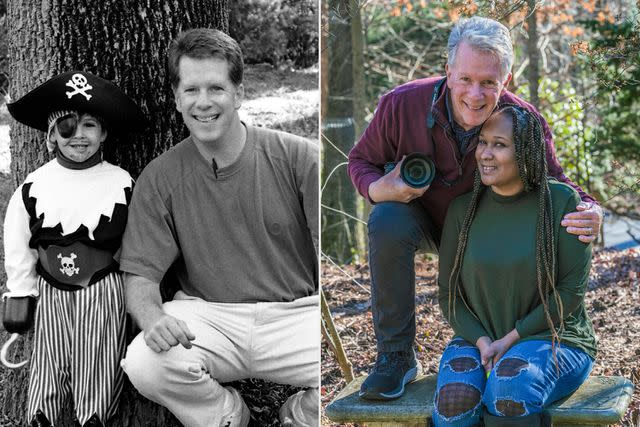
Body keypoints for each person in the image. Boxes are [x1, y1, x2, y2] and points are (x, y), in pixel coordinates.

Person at [348, 16, 603, 401]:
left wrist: (590, 207)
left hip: (481, 235)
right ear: (448, 71)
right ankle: (396, 356)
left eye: (488, 82)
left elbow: (557, 183)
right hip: (419, 219)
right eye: (466, 78)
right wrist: (378, 187)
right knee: (386, 217)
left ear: (508, 80)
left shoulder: (523, 121)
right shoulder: (401, 104)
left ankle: (510, 340)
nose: (475, 94)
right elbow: (360, 161)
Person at [118, 28, 319, 427]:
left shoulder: (300, 159)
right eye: (191, 90)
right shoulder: (159, 178)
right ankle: (228, 416)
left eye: (216, 88)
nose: (204, 102)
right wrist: (153, 319)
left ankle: (298, 417)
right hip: (208, 318)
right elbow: (139, 278)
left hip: (296, 315)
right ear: (177, 99)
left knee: (353, 366)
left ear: (239, 94)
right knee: (144, 361)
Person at [434, 104, 596, 426]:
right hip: (478, 338)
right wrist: (482, 341)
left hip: (554, 338)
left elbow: (570, 293)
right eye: (482, 142)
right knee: (455, 401)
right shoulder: (462, 211)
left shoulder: (563, 203)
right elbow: (448, 294)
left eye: (500, 144)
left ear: (524, 151)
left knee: (510, 387)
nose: (485, 154)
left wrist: (509, 340)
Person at [2, 71, 145, 426]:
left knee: (97, 356)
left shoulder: (122, 183)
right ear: (51, 137)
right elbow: (18, 240)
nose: (78, 135)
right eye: (66, 126)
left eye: (90, 125)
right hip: (50, 289)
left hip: (103, 288)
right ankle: (41, 415)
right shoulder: (35, 186)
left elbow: (141, 239)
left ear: (104, 133)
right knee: (49, 357)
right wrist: (21, 292)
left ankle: (93, 415)